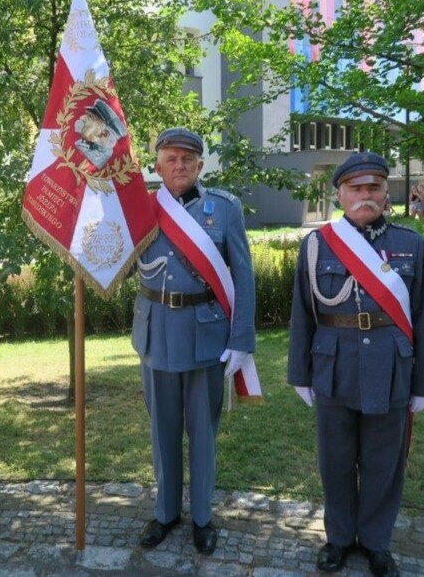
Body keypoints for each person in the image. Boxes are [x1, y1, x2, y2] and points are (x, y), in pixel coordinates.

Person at [287, 152, 424, 577]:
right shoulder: (317, 245)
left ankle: (376, 541)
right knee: (335, 460)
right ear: (340, 194)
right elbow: (302, 312)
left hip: (391, 370)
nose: (366, 195)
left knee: (383, 462)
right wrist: (300, 373)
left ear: (385, 193)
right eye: (356, 188)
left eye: (374, 187)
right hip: (333, 368)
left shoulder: (411, 244)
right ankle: (337, 539)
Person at [132, 127, 256, 555]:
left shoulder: (223, 209)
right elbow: (116, 261)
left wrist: (241, 339)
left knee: (202, 431)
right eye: (171, 158)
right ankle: (166, 512)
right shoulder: (142, 209)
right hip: (157, 335)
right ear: (158, 166)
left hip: (207, 335)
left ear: (200, 165)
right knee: (162, 430)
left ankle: (202, 516)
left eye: (188, 159)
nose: (179, 165)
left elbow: (242, 274)